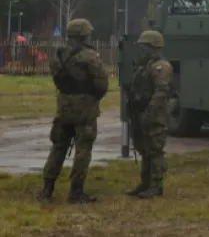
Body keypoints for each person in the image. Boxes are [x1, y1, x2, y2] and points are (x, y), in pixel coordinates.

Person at [38, 19, 109, 203]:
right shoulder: (90, 56)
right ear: (84, 35)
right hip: (84, 110)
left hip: (63, 108)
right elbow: (102, 84)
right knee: (83, 150)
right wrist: (92, 97)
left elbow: (58, 81)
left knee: (58, 147)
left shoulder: (59, 55)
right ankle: (76, 192)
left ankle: (47, 188)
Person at [125, 30, 173, 198]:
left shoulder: (161, 67)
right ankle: (145, 183)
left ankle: (156, 185)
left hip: (154, 115)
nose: (141, 50)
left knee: (155, 150)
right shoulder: (143, 66)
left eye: (144, 47)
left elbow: (161, 92)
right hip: (140, 112)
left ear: (153, 47)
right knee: (144, 149)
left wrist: (149, 113)